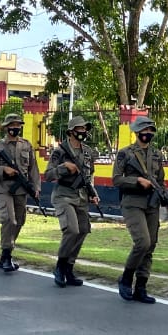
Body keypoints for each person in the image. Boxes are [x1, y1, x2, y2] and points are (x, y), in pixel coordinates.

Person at [112, 114, 168, 304]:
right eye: (144, 130)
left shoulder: (157, 155)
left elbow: (160, 181)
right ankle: (125, 279)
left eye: (151, 130)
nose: (148, 133)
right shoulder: (125, 153)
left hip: (152, 203)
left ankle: (141, 286)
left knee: (150, 246)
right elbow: (116, 179)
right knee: (142, 242)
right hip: (132, 202)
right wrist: (136, 181)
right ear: (136, 132)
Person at [43, 115, 98, 288]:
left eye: (85, 129)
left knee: (82, 230)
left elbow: (89, 176)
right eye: (80, 129)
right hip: (63, 195)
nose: (83, 132)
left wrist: (93, 193)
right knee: (72, 230)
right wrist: (64, 167)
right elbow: (48, 175)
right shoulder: (60, 152)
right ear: (71, 131)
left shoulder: (88, 152)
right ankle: (60, 266)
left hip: (81, 196)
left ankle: (69, 267)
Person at [0, 111, 40, 273]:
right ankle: (7, 254)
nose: (15, 128)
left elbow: (33, 169)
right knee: (9, 219)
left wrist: (36, 187)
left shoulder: (27, 145)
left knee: (20, 220)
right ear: (6, 128)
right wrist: (3, 169)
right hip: (3, 188)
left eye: (18, 125)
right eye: (12, 125)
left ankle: (5, 252)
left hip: (21, 189)